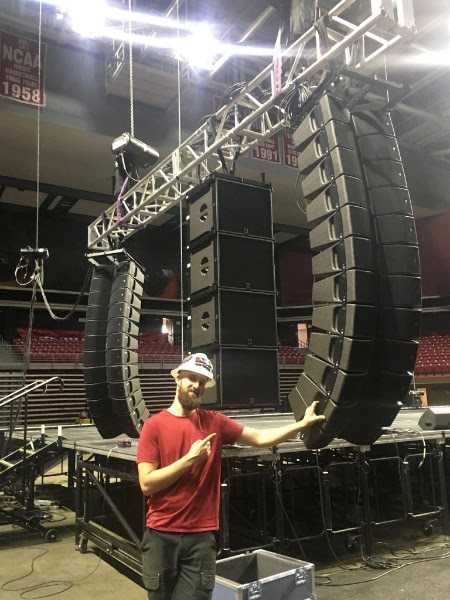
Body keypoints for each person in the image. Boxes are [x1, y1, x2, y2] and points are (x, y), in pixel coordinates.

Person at [136, 352, 324, 600]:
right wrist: (190, 460)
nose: (197, 386)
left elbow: (259, 438)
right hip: (161, 535)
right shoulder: (154, 426)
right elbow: (147, 484)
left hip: (201, 538)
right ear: (178, 378)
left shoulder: (215, 423)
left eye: (202, 381)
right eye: (192, 378)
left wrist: (301, 425)